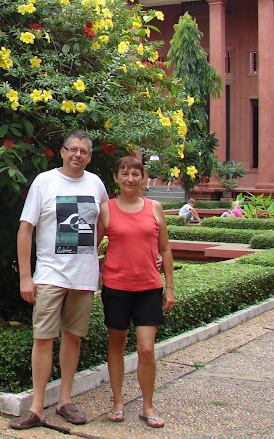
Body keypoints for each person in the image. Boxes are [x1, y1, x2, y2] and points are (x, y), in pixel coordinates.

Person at [11, 130, 108, 430]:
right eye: (73, 150)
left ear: (90, 157)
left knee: (73, 337)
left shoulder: (96, 184)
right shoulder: (45, 181)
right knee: (42, 338)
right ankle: (37, 407)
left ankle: (65, 400)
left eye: (84, 152)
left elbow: (106, 224)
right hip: (50, 274)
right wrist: (26, 277)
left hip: (83, 276)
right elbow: (25, 229)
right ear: (63, 152)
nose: (78, 155)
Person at [97, 156, 175, 428]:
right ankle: (118, 402)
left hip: (148, 288)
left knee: (146, 349)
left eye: (135, 174)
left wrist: (170, 288)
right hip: (116, 287)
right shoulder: (106, 209)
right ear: (116, 178)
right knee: (116, 345)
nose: (130, 179)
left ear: (143, 178)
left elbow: (165, 249)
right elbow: (92, 247)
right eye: (124, 173)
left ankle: (148, 405)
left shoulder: (155, 207)